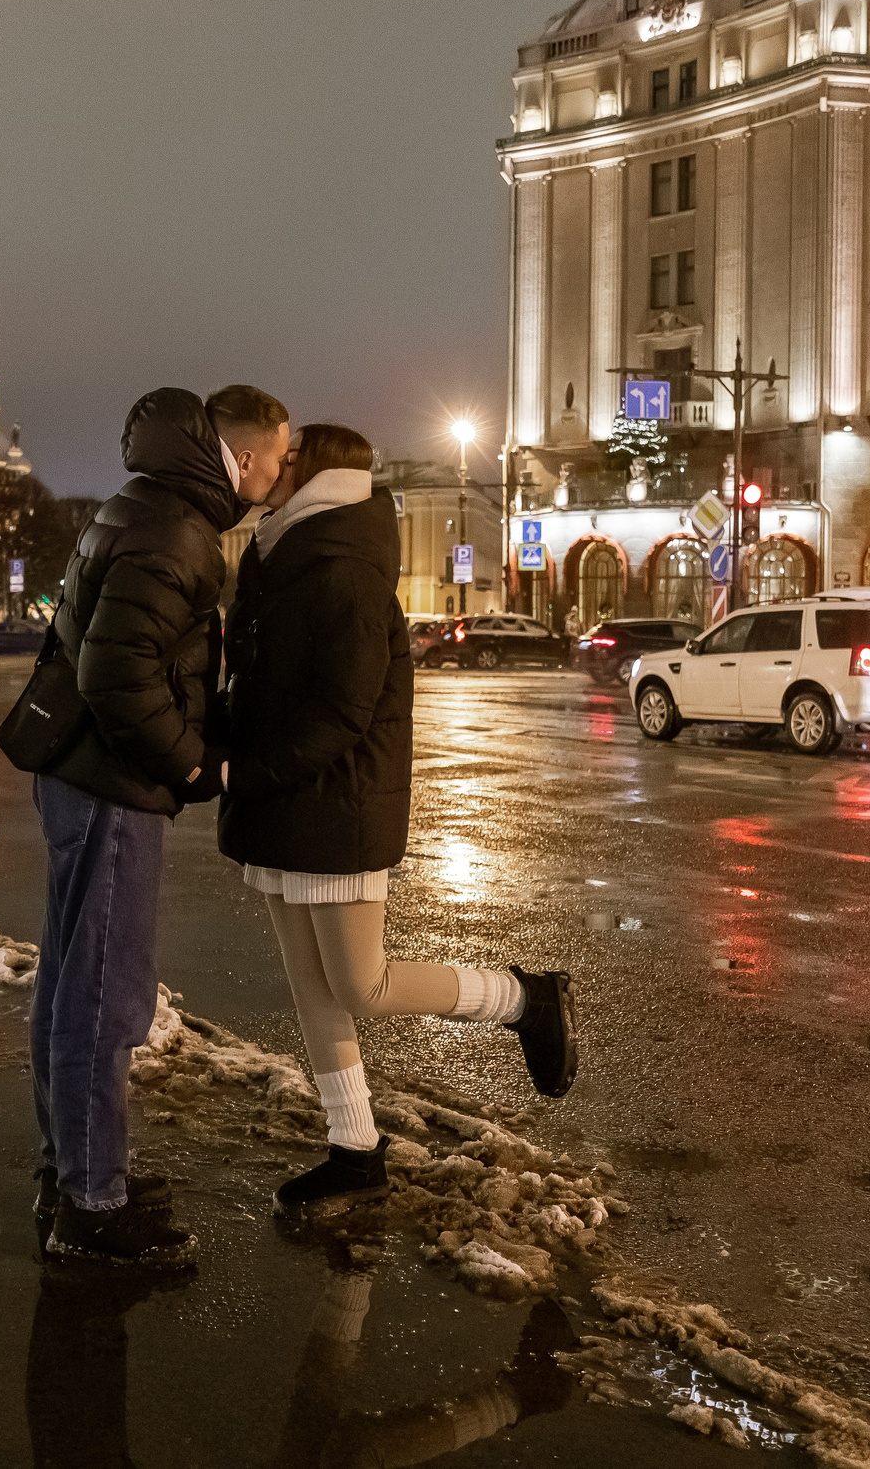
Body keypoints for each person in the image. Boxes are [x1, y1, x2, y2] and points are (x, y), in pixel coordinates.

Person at [221, 422, 577, 1213]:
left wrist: (239, 769)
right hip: (284, 802)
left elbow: (342, 716)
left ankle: (523, 998)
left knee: (363, 983)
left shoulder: (344, 571)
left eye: (289, 455)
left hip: (336, 802)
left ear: (316, 474)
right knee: (312, 985)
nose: (273, 463)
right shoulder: (280, 556)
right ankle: (354, 1147)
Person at [13, 383, 290, 1268]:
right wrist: (192, 762)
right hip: (113, 781)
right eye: (279, 458)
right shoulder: (178, 529)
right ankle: (93, 1204)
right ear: (243, 457)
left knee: (70, 981)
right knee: (105, 993)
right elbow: (118, 672)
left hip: (79, 773)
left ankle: (70, 1170)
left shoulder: (141, 503)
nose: (281, 475)